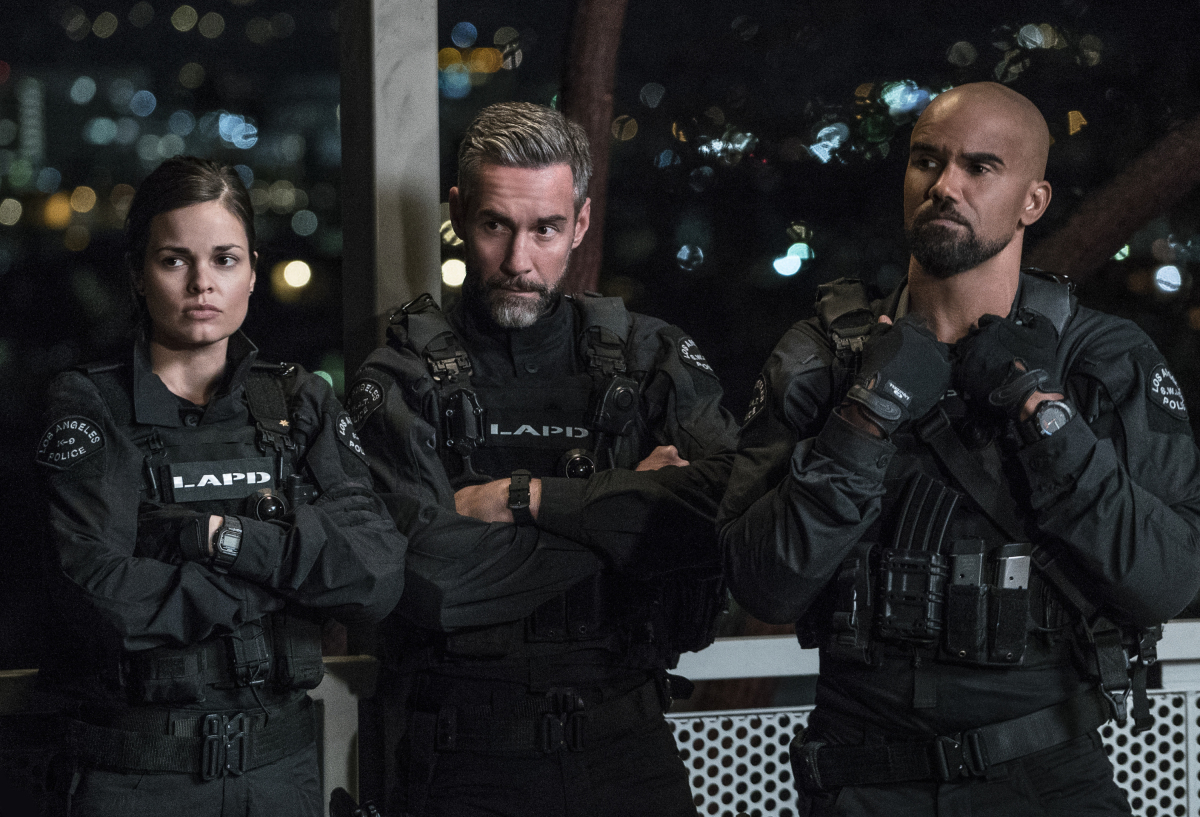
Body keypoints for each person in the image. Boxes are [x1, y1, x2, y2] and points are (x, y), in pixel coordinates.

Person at [718, 82, 1200, 815]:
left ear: (1033, 201)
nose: (945, 186)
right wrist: (866, 415)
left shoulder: (1102, 359)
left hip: (1046, 780)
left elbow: (1169, 579)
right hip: (859, 781)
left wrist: (1043, 414)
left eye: (980, 167)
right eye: (927, 161)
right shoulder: (823, 355)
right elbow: (764, 583)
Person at [349, 101, 738, 817]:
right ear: (458, 214)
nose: (519, 261)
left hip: (629, 745)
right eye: (495, 225)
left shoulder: (650, 355)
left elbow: (726, 509)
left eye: (546, 229)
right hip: (465, 757)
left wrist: (524, 499)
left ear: (581, 224)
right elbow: (430, 580)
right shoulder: (401, 375)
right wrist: (628, 519)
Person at [34, 156, 407, 816]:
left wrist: (218, 538)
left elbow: (376, 575)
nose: (202, 282)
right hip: (137, 780)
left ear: (252, 272)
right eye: (174, 260)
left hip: (281, 776)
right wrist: (288, 576)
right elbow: (99, 600)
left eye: (225, 259)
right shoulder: (92, 407)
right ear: (137, 273)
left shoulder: (299, 402)